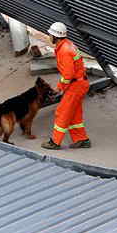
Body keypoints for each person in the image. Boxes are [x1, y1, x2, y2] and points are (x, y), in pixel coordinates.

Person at [41, 22, 91, 150]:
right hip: (80, 83)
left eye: (50, 34)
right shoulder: (67, 45)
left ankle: (55, 142)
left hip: (76, 85)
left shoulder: (64, 50)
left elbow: (68, 74)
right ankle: (82, 140)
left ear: (55, 36)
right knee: (74, 114)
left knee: (62, 112)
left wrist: (60, 88)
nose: (48, 36)